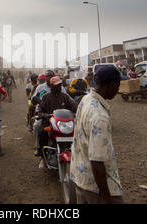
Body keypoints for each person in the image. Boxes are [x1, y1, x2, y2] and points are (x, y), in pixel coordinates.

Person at [70, 65, 124, 204]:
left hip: (81, 178)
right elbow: (97, 163)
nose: (118, 90)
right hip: (96, 188)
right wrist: (107, 199)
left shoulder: (86, 99)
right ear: (112, 84)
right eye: (118, 85)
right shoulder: (99, 117)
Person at [34, 76, 77, 158]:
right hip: (50, 122)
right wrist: (42, 114)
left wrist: (76, 108)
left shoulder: (65, 96)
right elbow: (39, 109)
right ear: (51, 86)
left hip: (64, 123)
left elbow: (73, 105)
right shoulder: (45, 97)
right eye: (56, 85)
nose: (58, 86)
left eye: (59, 84)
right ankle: (42, 156)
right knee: (42, 132)